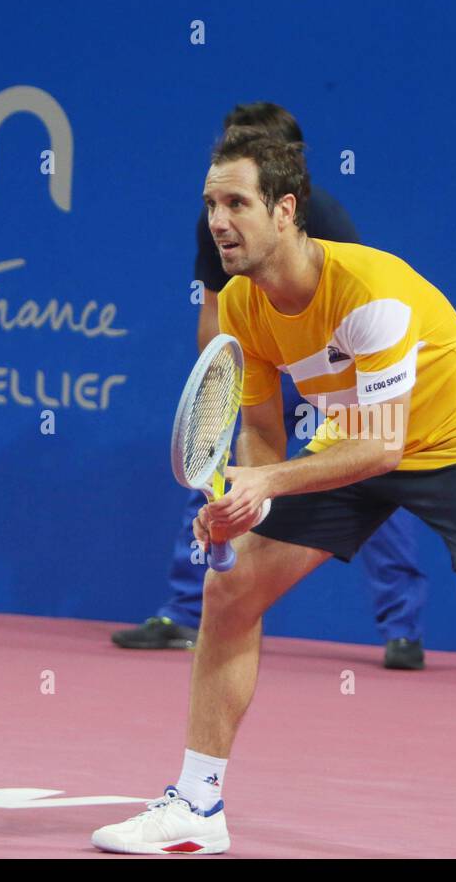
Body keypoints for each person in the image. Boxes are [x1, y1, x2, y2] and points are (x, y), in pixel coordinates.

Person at [92, 128, 456, 858]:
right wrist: (250, 504)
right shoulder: (242, 304)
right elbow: (263, 434)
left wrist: (270, 479)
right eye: (211, 203)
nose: (217, 220)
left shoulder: (370, 291)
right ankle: (198, 806)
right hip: (352, 431)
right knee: (230, 593)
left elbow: (385, 446)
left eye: (236, 202)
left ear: (285, 211)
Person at [112, 102, 428, 670]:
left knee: (374, 471)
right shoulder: (216, 221)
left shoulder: (323, 216)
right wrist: (221, 383)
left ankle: (401, 628)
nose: (225, 202)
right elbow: (216, 308)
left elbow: (357, 310)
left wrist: (347, 410)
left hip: (334, 369)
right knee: (221, 473)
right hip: (259, 360)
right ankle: (188, 612)